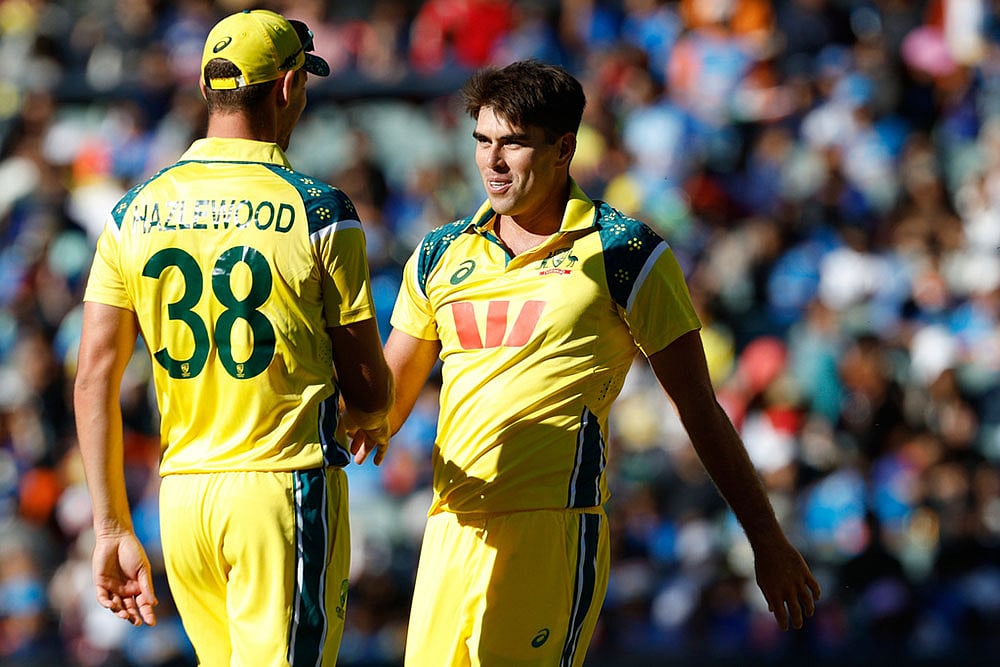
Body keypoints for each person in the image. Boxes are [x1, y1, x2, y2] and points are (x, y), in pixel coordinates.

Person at [384, 59, 821, 666]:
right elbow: (382, 404)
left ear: (565, 148)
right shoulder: (439, 251)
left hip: (553, 529)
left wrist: (766, 539)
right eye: (483, 141)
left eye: (513, 143)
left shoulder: (623, 251)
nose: (493, 161)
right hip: (449, 527)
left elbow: (698, 406)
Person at [73, 9, 394, 666]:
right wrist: (374, 412)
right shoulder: (319, 209)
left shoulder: (133, 211)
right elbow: (367, 383)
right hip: (280, 489)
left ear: (207, 89)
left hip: (183, 499)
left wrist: (111, 526)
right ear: (285, 86)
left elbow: (93, 378)